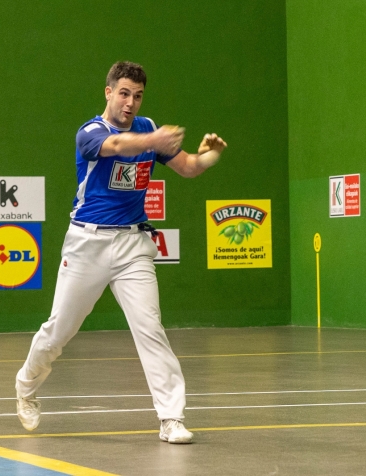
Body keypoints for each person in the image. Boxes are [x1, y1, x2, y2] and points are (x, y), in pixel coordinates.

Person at [15, 62, 227, 444]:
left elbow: (189, 167)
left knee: (151, 329)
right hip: (87, 244)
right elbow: (115, 146)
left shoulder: (148, 130)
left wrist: (209, 156)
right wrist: (153, 140)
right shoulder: (91, 132)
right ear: (109, 92)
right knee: (58, 332)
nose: (131, 102)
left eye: (138, 96)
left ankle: (171, 418)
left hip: (133, 245)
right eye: (125, 93)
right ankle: (26, 386)